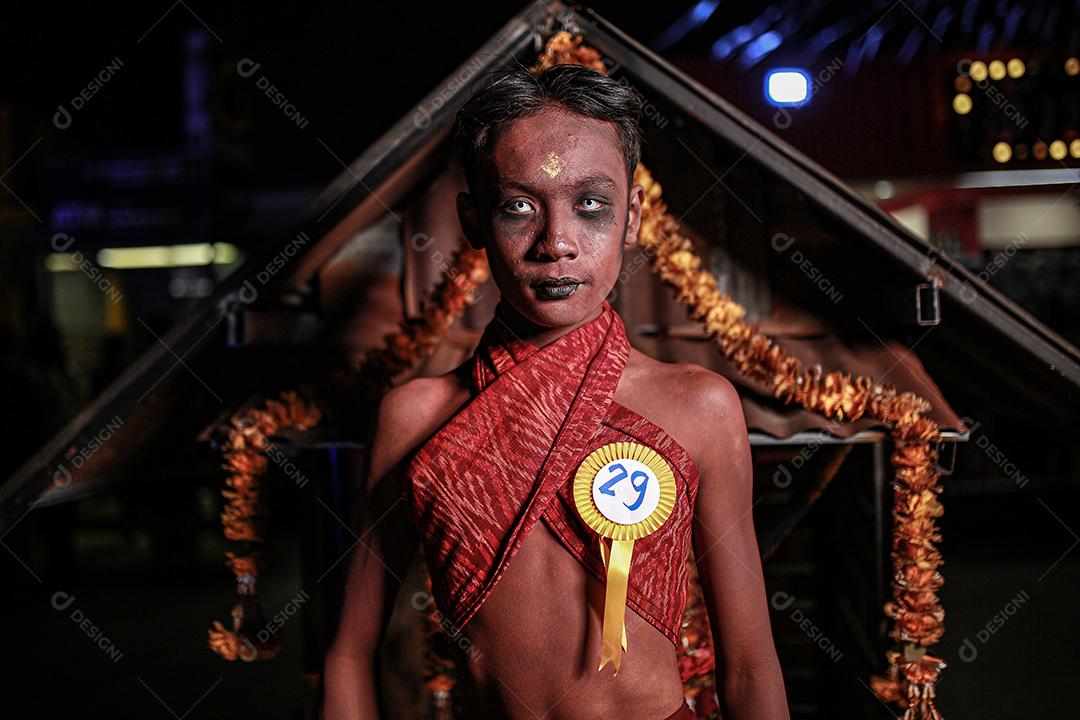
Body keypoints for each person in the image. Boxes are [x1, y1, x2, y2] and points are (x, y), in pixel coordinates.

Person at [319, 64, 789, 720]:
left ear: (634, 219)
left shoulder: (698, 406)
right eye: (518, 207)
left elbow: (749, 665)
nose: (557, 243)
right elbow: (348, 654)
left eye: (591, 205)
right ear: (474, 219)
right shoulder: (415, 417)